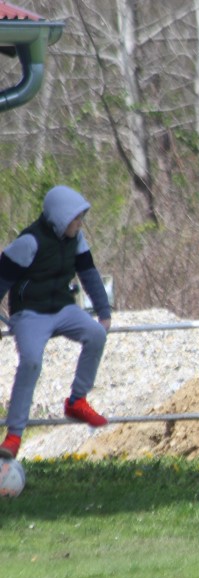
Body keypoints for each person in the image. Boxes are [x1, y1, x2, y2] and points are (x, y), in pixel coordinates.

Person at [0, 186, 112, 459]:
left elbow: (89, 274)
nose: (80, 224)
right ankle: (14, 435)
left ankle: (77, 401)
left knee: (96, 334)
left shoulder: (77, 239)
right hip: (29, 313)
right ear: (61, 218)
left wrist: (103, 312)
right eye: (76, 219)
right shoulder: (29, 243)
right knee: (31, 362)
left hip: (62, 307)